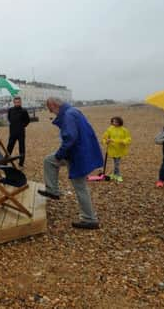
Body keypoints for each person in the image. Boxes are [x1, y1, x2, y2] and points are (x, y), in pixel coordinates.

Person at [38, 97, 103, 229]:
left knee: (80, 186)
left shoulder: (68, 115)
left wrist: (60, 154)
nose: (50, 112)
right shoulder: (73, 111)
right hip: (80, 151)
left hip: (77, 154)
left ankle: (90, 219)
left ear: (54, 105)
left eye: (49, 108)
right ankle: (53, 190)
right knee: (49, 160)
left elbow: (70, 138)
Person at [101, 116, 131, 182]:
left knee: (116, 163)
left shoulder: (124, 130)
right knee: (116, 163)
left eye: (116, 122)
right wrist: (106, 141)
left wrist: (123, 141)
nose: (114, 123)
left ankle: (118, 175)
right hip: (112, 149)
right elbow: (104, 138)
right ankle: (115, 174)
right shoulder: (110, 129)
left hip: (120, 150)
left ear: (119, 122)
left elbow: (128, 139)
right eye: (113, 121)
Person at [6, 96, 30, 167]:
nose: (17, 103)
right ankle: (5, 161)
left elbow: (27, 120)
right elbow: (9, 118)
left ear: (21, 102)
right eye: (16, 102)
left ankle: (21, 163)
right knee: (9, 146)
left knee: (21, 148)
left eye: (18, 102)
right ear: (14, 102)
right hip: (12, 132)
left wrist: (22, 126)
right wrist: (14, 125)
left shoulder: (24, 111)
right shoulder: (10, 110)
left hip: (21, 132)